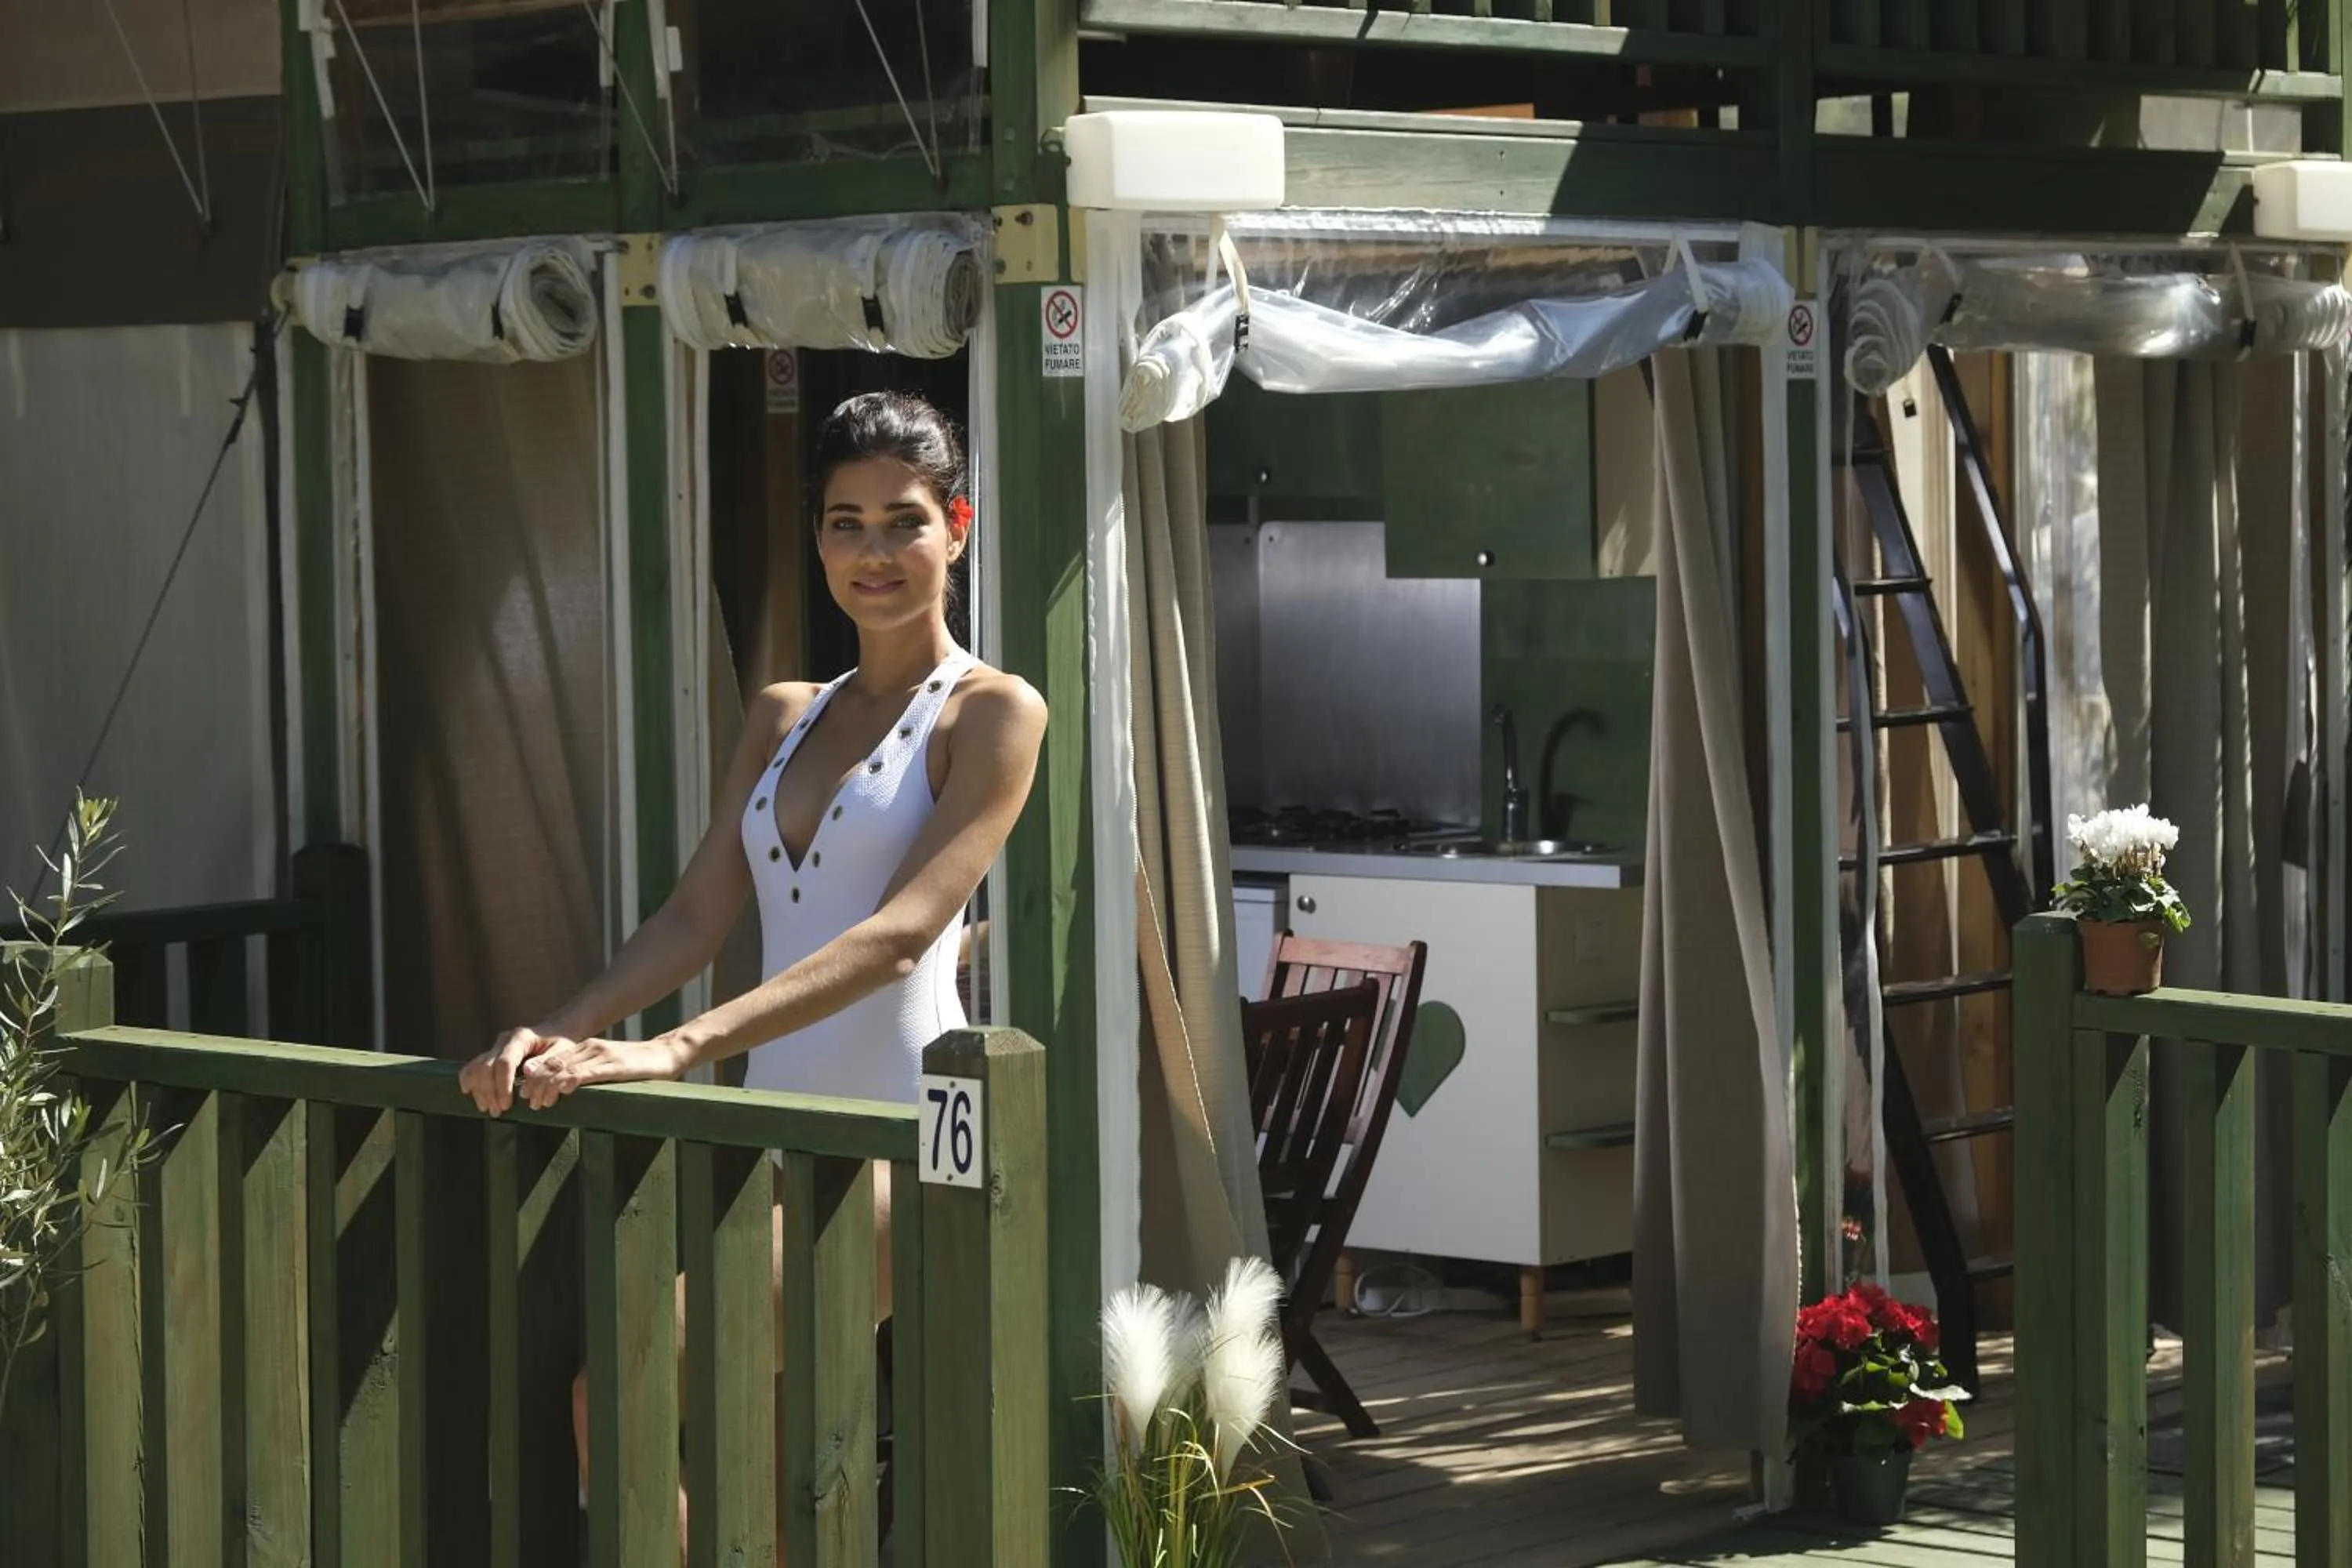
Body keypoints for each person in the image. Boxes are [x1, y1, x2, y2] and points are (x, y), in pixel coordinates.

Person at [457, 389, 1046, 1525]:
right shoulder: (783, 712)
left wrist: (676, 1047)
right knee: (765, 1489)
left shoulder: (994, 712)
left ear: (957, 527)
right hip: (774, 1137)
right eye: (844, 523)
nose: (873, 552)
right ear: (818, 537)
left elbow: (900, 935)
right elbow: (693, 921)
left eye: (903, 521)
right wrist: (559, 1031)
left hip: (899, 1147)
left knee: (622, 1385)